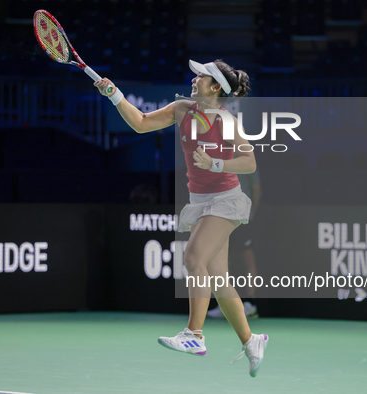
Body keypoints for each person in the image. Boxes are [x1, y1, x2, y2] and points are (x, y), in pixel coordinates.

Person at [94, 59, 269, 377]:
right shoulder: (182, 109)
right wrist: (114, 95)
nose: (195, 78)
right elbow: (142, 123)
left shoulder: (226, 121)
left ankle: (194, 335)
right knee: (218, 279)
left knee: (192, 258)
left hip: (226, 200)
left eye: (202, 76)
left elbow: (249, 162)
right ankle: (251, 339)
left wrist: (216, 163)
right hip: (200, 200)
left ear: (215, 87)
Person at [207, 169, 261, 319]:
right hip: (223, 218)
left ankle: (250, 305)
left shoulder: (246, 155)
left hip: (243, 218)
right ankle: (224, 305)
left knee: (248, 260)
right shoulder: (218, 157)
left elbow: (256, 189)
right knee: (223, 261)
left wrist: (250, 215)